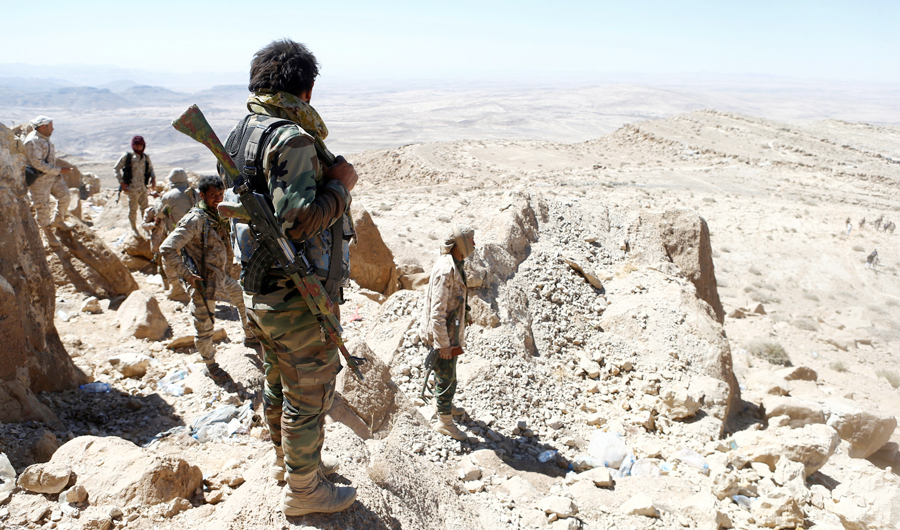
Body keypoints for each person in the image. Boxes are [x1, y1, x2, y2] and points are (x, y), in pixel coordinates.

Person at [225, 39, 359, 517]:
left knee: (278, 379)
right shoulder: (291, 139)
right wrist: (340, 187)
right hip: (295, 298)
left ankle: (289, 465)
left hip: (258, 291)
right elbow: (299, 220)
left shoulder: (244, 131)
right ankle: (305, 491)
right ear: (308, 88)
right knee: (309, 390)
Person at [159, 175, 257, 381]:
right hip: (202, 282)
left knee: (241, 298)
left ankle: (250, 336)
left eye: (221, 194)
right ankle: (210, 365)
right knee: (205, 326)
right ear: (202, 196)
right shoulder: (194, 220)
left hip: (220, 277)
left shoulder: (218, 215)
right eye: (213, 195)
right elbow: (167, 248)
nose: (218, 199)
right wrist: (187, 275)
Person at [420, 224, 476, 441]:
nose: (474, 244)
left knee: (447, 374)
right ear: (460, 243)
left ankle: (443, 405)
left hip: (450, 330)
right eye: (470, 240)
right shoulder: (446, 269)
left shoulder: (456, 264)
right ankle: (445, 422)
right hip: (442, 334)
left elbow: (457, 297)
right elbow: (437, 312)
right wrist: (442, 344)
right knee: (446, 376)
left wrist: (466, 314)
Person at [143, 168, 199, 301]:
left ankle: (177, 289)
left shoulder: (169, 196)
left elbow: (160, 213)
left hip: (178, 235)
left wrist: (158, 199)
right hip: (197, 234)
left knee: (167, 259)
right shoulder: (195, 193)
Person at [23, 116, 74, 247]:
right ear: (43, 127)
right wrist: (59, 170)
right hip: (40, 180)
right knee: (42, 207)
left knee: (65, 196)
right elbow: (36, 163)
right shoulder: (33, 141)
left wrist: (56, 172)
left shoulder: (44, 137)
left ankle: (58, 219)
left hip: (52, 176)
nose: (53, 129)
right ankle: (47, 233)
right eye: (51, 126)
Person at [115, 135, 156, 234]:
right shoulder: (128, 156)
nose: (138, 148)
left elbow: (151, 169)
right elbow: (116, 168)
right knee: (133, 210)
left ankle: (145, 228)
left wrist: (153, 179)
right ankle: (133, 228)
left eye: (140, 146)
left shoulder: (145, 157)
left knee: (145, 210)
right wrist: (122, 182)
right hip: (132, 188)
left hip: (143, 188)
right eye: (136, 146)